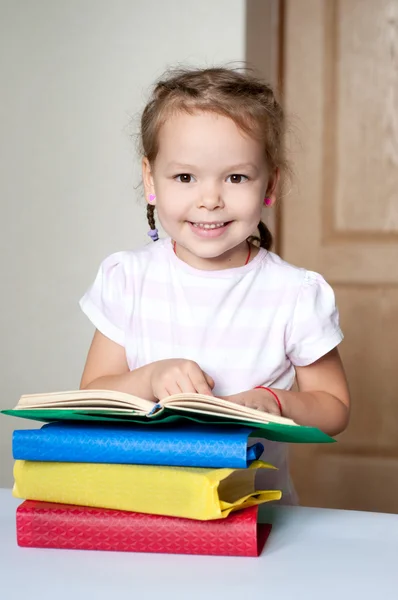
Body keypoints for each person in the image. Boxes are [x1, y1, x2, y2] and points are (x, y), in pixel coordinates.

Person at [79, 67, 350, 504]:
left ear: (270, 184)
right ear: (151, 180)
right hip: (142, 512)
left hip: (255, 519)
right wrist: (148, 378)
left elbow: (334, 408)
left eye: (236, 177)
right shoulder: (126, 279)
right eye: (185, 177)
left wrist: (276, 402)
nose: (210, 199)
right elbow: (90, 396)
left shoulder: (294, 294)